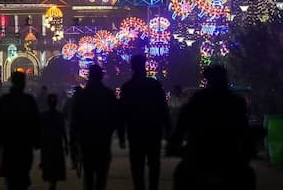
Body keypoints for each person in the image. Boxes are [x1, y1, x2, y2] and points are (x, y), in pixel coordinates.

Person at [169, 65, 255, 190]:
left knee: (181, 174)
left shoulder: (197, 100)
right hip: (218, 159)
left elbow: (180, 129)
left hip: (212, 159)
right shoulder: (235, 102)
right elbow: (245, 132)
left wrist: (174, 144)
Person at [119, 54, 170, 190]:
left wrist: (121, 136)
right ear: (145, 65)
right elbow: (163, 109)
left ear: (132, 67)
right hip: (153, 131)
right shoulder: (154, 85)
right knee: (154, 165)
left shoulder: (127, 87)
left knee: (137, 167)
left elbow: (122, 113)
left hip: (135, 132)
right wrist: (168, 130)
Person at [70, 65, 120, 190]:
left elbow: (74, 119)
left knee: (89, 174)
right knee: (101, 176)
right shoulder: (108, 94)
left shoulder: (82, 95)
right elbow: (116, 117)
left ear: (89, 76)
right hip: (103, 140)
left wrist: (73, 142)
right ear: (101, 76)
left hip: (86, 140)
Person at [0, 71, 41, 190]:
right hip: (25, 145)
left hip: (9, 145)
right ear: (24, 83)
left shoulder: (4, 101)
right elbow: (36, 123)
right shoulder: (29, 100)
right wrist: (37, 141)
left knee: (11, 178)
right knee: (23, 174)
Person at [40, 94, 67, 190]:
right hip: (57, 143)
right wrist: (66, 144)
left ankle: (51, 181)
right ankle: (53, 182)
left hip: (46, 143)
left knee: (47, 162)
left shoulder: (43, 115)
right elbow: (63, 131)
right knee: (56, 163)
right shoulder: (60, 115)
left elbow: (39, 130)